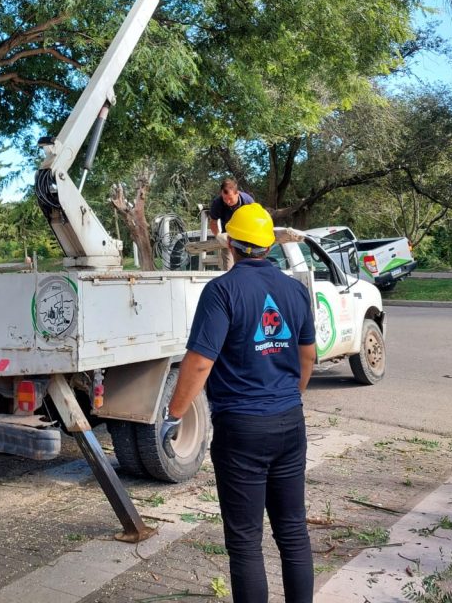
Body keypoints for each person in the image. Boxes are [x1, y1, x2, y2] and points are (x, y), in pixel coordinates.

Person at [161, 203, 316, 603]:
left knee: (246, 542)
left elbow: (199, 363)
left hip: (242, 430)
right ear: (269, 246)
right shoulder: (296, 291)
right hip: (289, 422)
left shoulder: (222, 291)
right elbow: (308, 357)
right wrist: (289, 398)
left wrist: (174, 415)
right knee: (293, 531)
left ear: (230, 244)